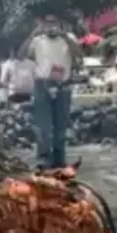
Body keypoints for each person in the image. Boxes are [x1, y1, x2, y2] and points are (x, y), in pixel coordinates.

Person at [21, 13, 81, 169]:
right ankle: (44, 159)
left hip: (63, 85)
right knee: (43, 126)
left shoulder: (68, 39)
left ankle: (59, 160)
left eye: (54, 22)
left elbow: (79, 54)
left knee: (61, 126)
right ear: (43, 24)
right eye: (47, 22)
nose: (51, 26)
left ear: (59, 23)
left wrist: (65, 36)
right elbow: (22, 54)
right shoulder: (37, 40)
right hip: (42, 85)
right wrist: (32, 34)